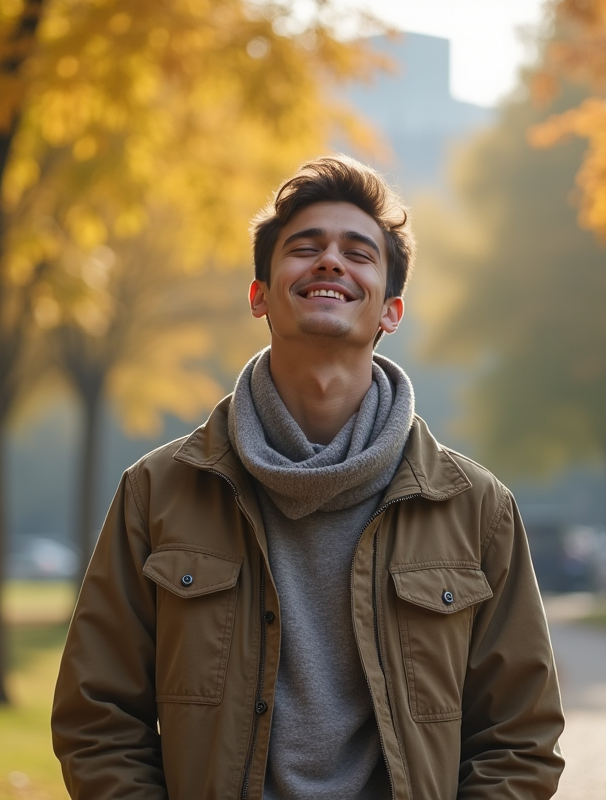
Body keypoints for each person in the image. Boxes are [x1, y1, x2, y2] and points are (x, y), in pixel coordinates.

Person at [51, 155, 565, 799]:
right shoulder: (157, 493)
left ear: (391, 311)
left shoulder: (476, 509)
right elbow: (97, 719)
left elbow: (520, 738)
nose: (330, 262)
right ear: (259, 295)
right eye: (304, 247)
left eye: (359, 252)